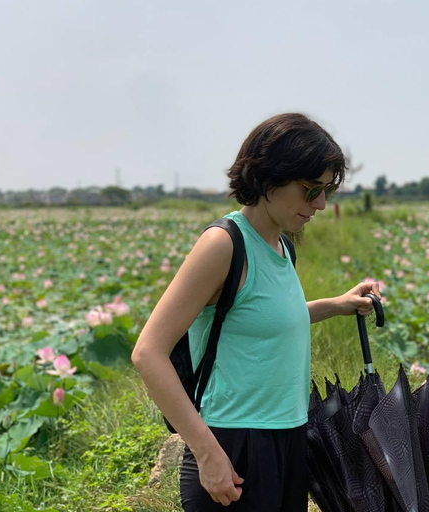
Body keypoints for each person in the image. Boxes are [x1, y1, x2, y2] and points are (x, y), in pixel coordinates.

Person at [131, 113, 381, 511]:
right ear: (269, 178)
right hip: (234, 444)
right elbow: (148, 353)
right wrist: (208, 454)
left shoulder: (282, 247)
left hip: (288, 436)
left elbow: (262, 319)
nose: (319, 204)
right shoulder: (223, 245)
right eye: (310, 189)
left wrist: (337, 305)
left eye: (326, 192)